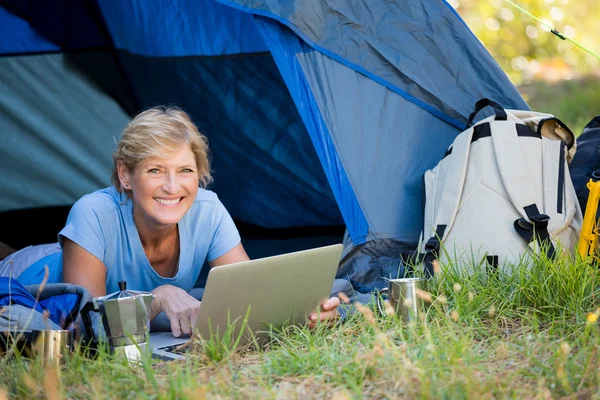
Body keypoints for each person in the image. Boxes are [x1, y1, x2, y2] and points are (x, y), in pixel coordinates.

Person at [0, 106, 341, 337]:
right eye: (155, 170)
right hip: (31, 272)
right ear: (125, 174)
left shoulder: (208, 210)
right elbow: (88, 326)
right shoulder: (92, 213)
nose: (172, 187)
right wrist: (160, 296)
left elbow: (250, 297)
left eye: (185, 171)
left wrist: (305, 314)